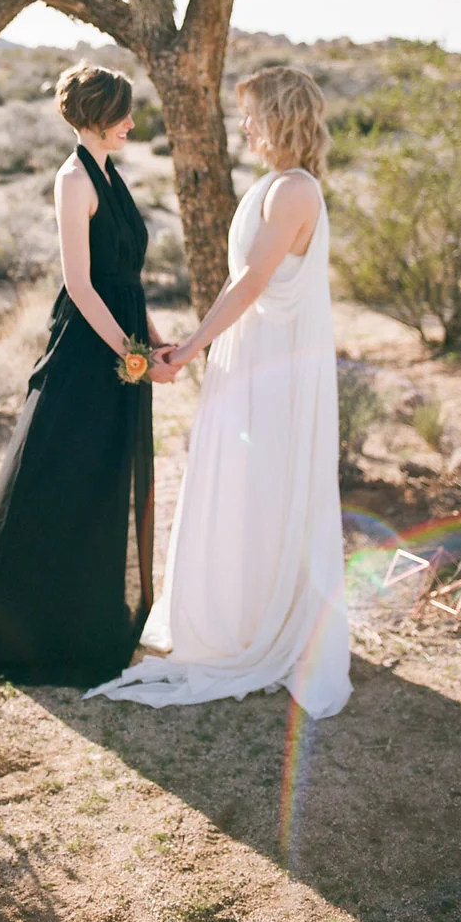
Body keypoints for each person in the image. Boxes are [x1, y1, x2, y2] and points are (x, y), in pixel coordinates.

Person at [87, 65, 352, 719]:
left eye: (253, 112)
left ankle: (260, 623)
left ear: (281, 116)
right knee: (245, 482)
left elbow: (253, 282)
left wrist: (194, 342)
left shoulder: (293, 190)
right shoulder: (273, 184)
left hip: (277, 366)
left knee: (265, 483)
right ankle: (239, 607)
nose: (245, 124)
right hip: (254, 354)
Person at [0, 61, 180, 686]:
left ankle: (96, 615)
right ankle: (35, 624)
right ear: (94, 117)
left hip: (122, 339)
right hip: (89, 351)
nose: (132, 123)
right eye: (122, 114)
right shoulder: (73, 179)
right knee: (63, 474)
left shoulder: (110, 172)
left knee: (106, 477)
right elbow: (81, 285)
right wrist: (132, 357)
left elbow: (126, 281)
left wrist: (155, 340)